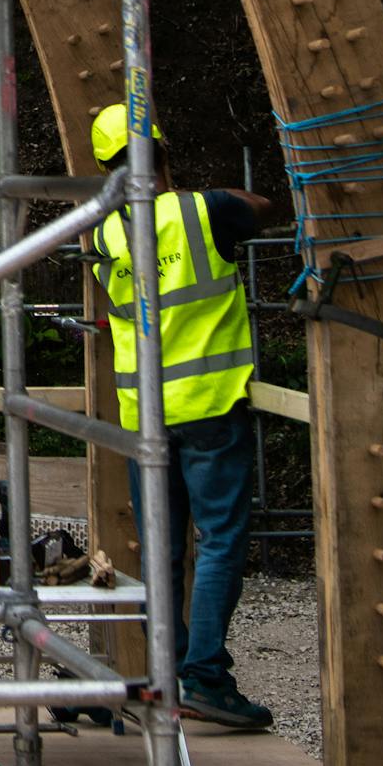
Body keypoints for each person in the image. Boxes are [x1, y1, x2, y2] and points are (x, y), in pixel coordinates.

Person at [85, 103, 279, 733]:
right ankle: (207, 677)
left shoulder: (104, 236)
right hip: (210, 409)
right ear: (163, 155)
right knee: (219, 540)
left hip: (147, 419)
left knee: (163, 552)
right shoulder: (205, 211)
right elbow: (266, 208)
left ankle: (170, 672)